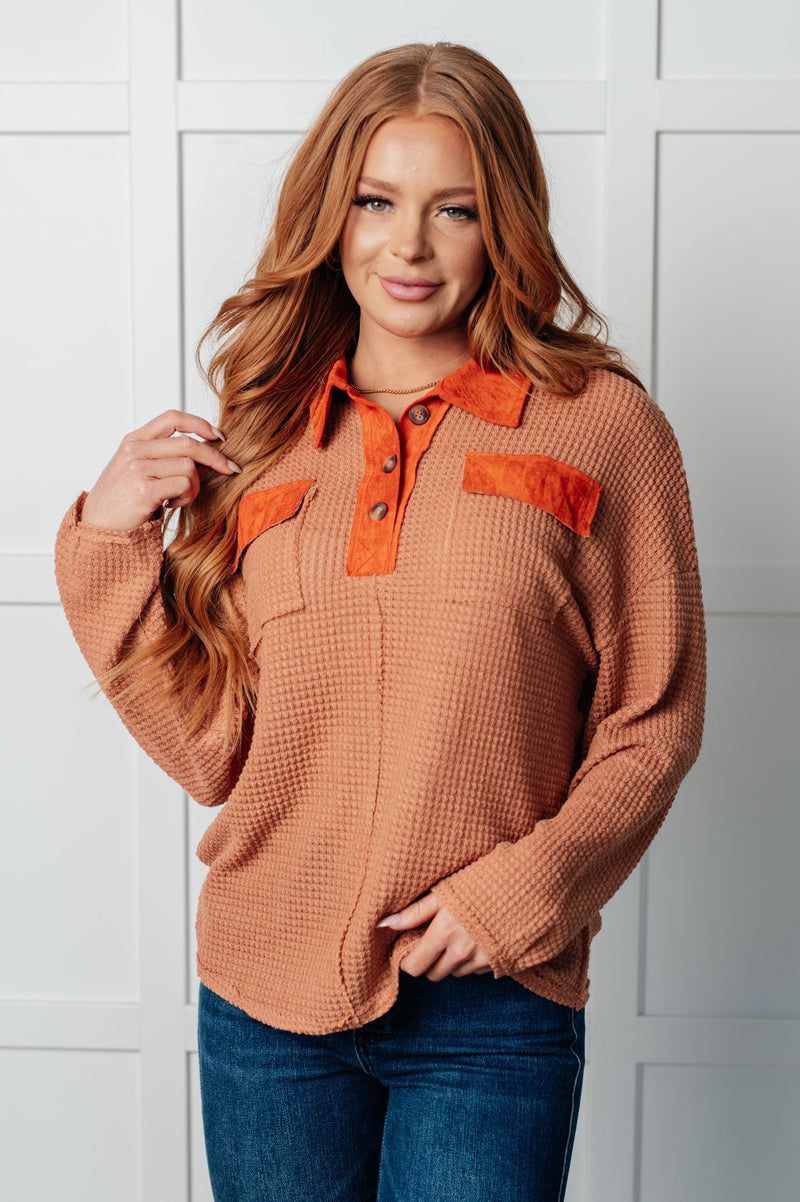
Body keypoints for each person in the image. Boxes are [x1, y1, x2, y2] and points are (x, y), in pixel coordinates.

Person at [55, 41, 706, 1202]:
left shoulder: (601, 426)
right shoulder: (262, 434)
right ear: (330, 213)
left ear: (501, 222)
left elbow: (649, 722)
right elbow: (213, 751)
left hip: (491, 1007)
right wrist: (108, 546)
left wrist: (514, 896)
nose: (406, 246)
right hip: (261, 1007)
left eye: (452, 209)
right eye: (374, 201)